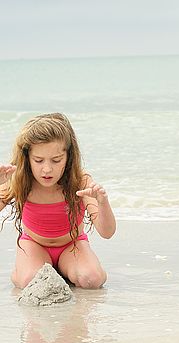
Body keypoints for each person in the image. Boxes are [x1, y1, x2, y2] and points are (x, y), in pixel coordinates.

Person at [0, 113, 116, 289]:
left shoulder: (80, 181)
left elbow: (107, 232)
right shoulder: (18, 179)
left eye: (56, 160)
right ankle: (22, 271)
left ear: (68, 158)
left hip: (72, 245)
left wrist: (103, 202)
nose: (47, 169)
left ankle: (67, 268)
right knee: (29, 282)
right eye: (38, 160)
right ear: (27, 158)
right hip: (34, 244)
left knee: (92, 280)